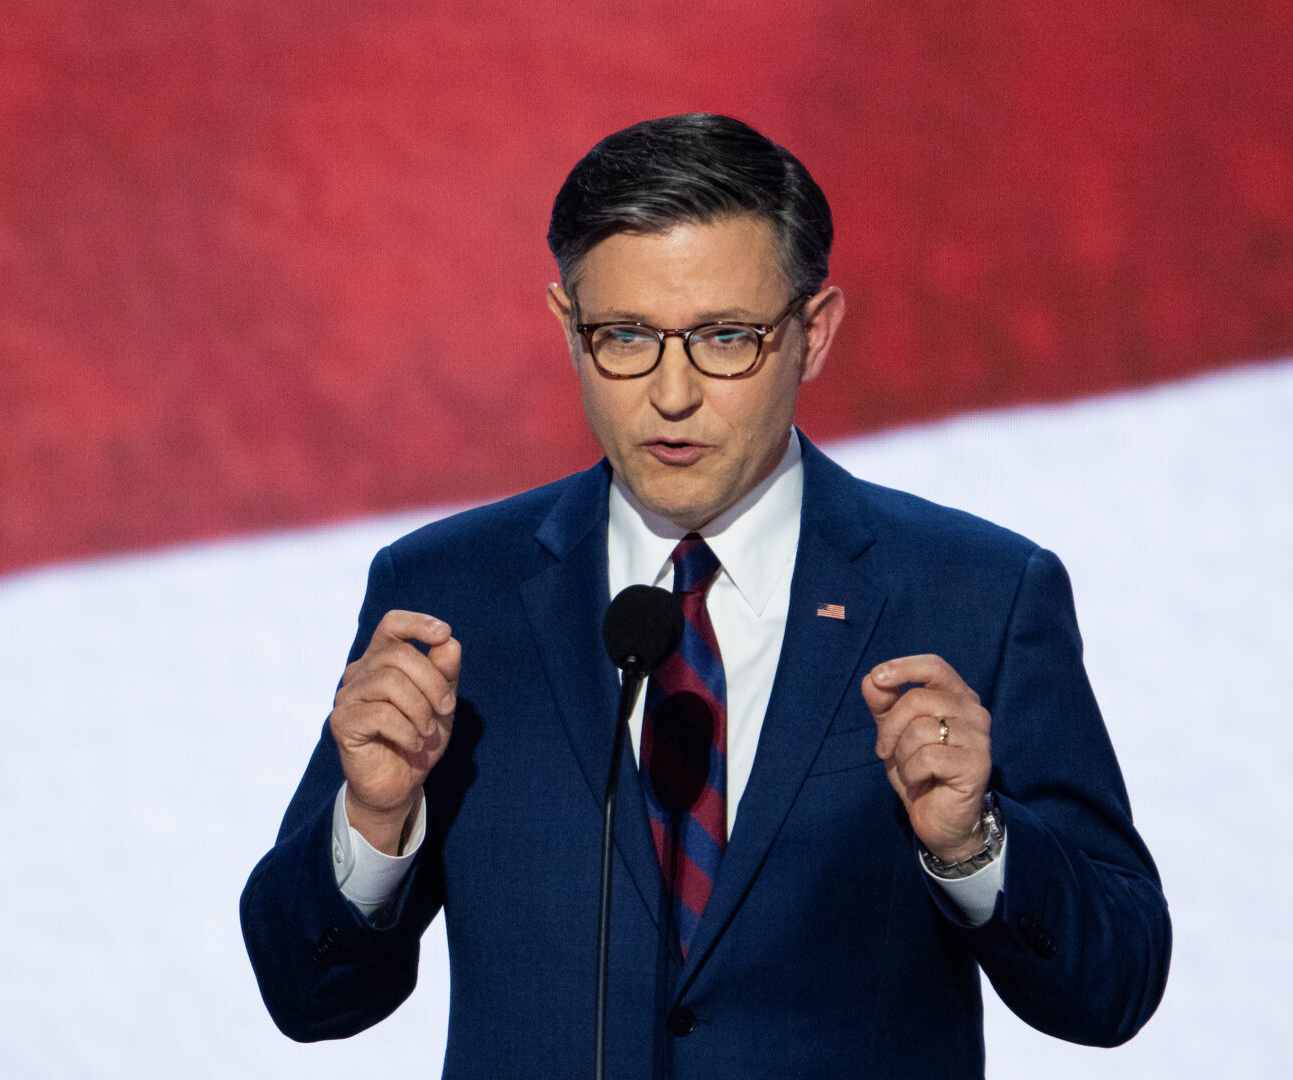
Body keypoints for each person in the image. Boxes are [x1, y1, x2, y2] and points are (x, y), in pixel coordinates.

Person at [240, 113, 1170, 1078]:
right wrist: (374, 826)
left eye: (728, 338)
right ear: (568, 329)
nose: (672, 394)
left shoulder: (974, 594)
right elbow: (308, 999)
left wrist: (976, 848)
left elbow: (1114, 989)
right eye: (626, 336)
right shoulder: (448, 593)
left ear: (814, 334)